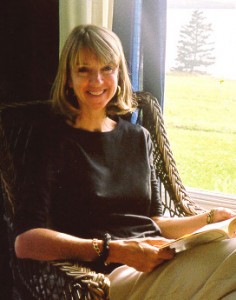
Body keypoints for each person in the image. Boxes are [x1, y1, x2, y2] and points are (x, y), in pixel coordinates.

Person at [14, 24, 236, 299]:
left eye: (107, 68)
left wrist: (211, 219)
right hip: (105, 275)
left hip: (159, 257)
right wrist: (115, 249)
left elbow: (154, 222)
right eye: (84, 70)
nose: (97, 81)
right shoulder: (50, 140)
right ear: (69, 79)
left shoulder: (138, 137)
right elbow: (25, 242)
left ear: (119, 74)